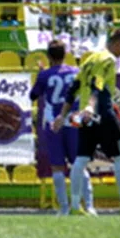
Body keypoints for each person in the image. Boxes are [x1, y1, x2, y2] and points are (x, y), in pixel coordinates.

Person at [53, 28, 120, 215]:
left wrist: (62, 115)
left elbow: (73, 88)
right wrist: (92, 107)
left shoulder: (89, 59)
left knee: (81, 160)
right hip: (102, 114)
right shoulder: (108, 59)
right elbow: (97, 84)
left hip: (84, 116)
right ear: (117, 43)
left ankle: (75, 207)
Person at [30, 40, 79, 215]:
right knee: (79, 164)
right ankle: (85, 205)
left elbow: (33, 95)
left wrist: (41, 75)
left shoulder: (45, 75)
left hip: (53, 123)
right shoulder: (76, 72)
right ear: (65, 54)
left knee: (57, 167)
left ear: (49, 56)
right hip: (74, 121)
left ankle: (64, 208)